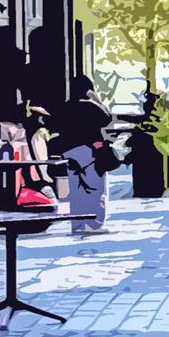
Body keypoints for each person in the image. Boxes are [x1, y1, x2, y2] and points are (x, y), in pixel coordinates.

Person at [50, 76, 116, 231]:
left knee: (76, 190)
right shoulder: (93, 107)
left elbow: (55, 125)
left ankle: (78, 224)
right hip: (91, 151)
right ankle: (95, 224)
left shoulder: (65, 107)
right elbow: (107, 118)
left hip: (69, 151)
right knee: (95, 188)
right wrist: (96, 99)